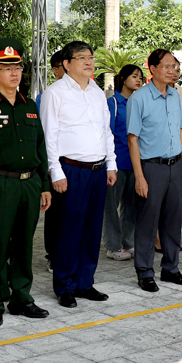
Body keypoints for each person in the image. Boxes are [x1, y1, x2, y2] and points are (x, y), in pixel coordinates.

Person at [0, 39, 52, 327]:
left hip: (29, 184)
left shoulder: (30, 106)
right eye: (6, 68)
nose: (14, 73)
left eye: (17, 67)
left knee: (24, 245)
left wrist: (44, 185)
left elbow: (40, 148)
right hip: (0, 185)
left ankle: (21, 298)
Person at [40, 40, 117, 308]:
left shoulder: (97, 92)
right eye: (81, 57)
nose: (88, 62)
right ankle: (65, 286)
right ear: (67, 63)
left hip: (97, 170)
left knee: (92, 229)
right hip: (71, 170)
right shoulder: (55, 93)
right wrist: (55, 171)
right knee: (69, 230)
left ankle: (85, 282)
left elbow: (106, 131)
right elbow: (49, 136)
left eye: (91, 57)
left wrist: (111, 164)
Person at [127, 49, 182, 291]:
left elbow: (180, 130)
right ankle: (145, 272)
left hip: (175, 166)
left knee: (173, 220)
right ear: (152, 69)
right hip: (151, 168)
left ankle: (171, 269)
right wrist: (140, 177)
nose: (172, 71)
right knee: (147, 222)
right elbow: (132, 140)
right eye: (167, 66)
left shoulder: (176, 96)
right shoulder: (139, 99)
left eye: (175, 67)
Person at [105, 64, 143, 261]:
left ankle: (128, 243)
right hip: (117, 163)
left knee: (131, 206)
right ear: (123, 78)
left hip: (135, 163)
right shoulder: (112, 103)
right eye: (134, 76)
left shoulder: (140, 102)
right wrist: (109, 163)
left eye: (140, 77)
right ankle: (112, 245)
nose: (138, 80)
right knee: (111, 206)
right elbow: (108, 133)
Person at [39, 48, 66, 270]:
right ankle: (52, 254)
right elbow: (46, 134)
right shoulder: (48, 95)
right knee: (55, 213)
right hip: (54, 162)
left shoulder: (91, 92)